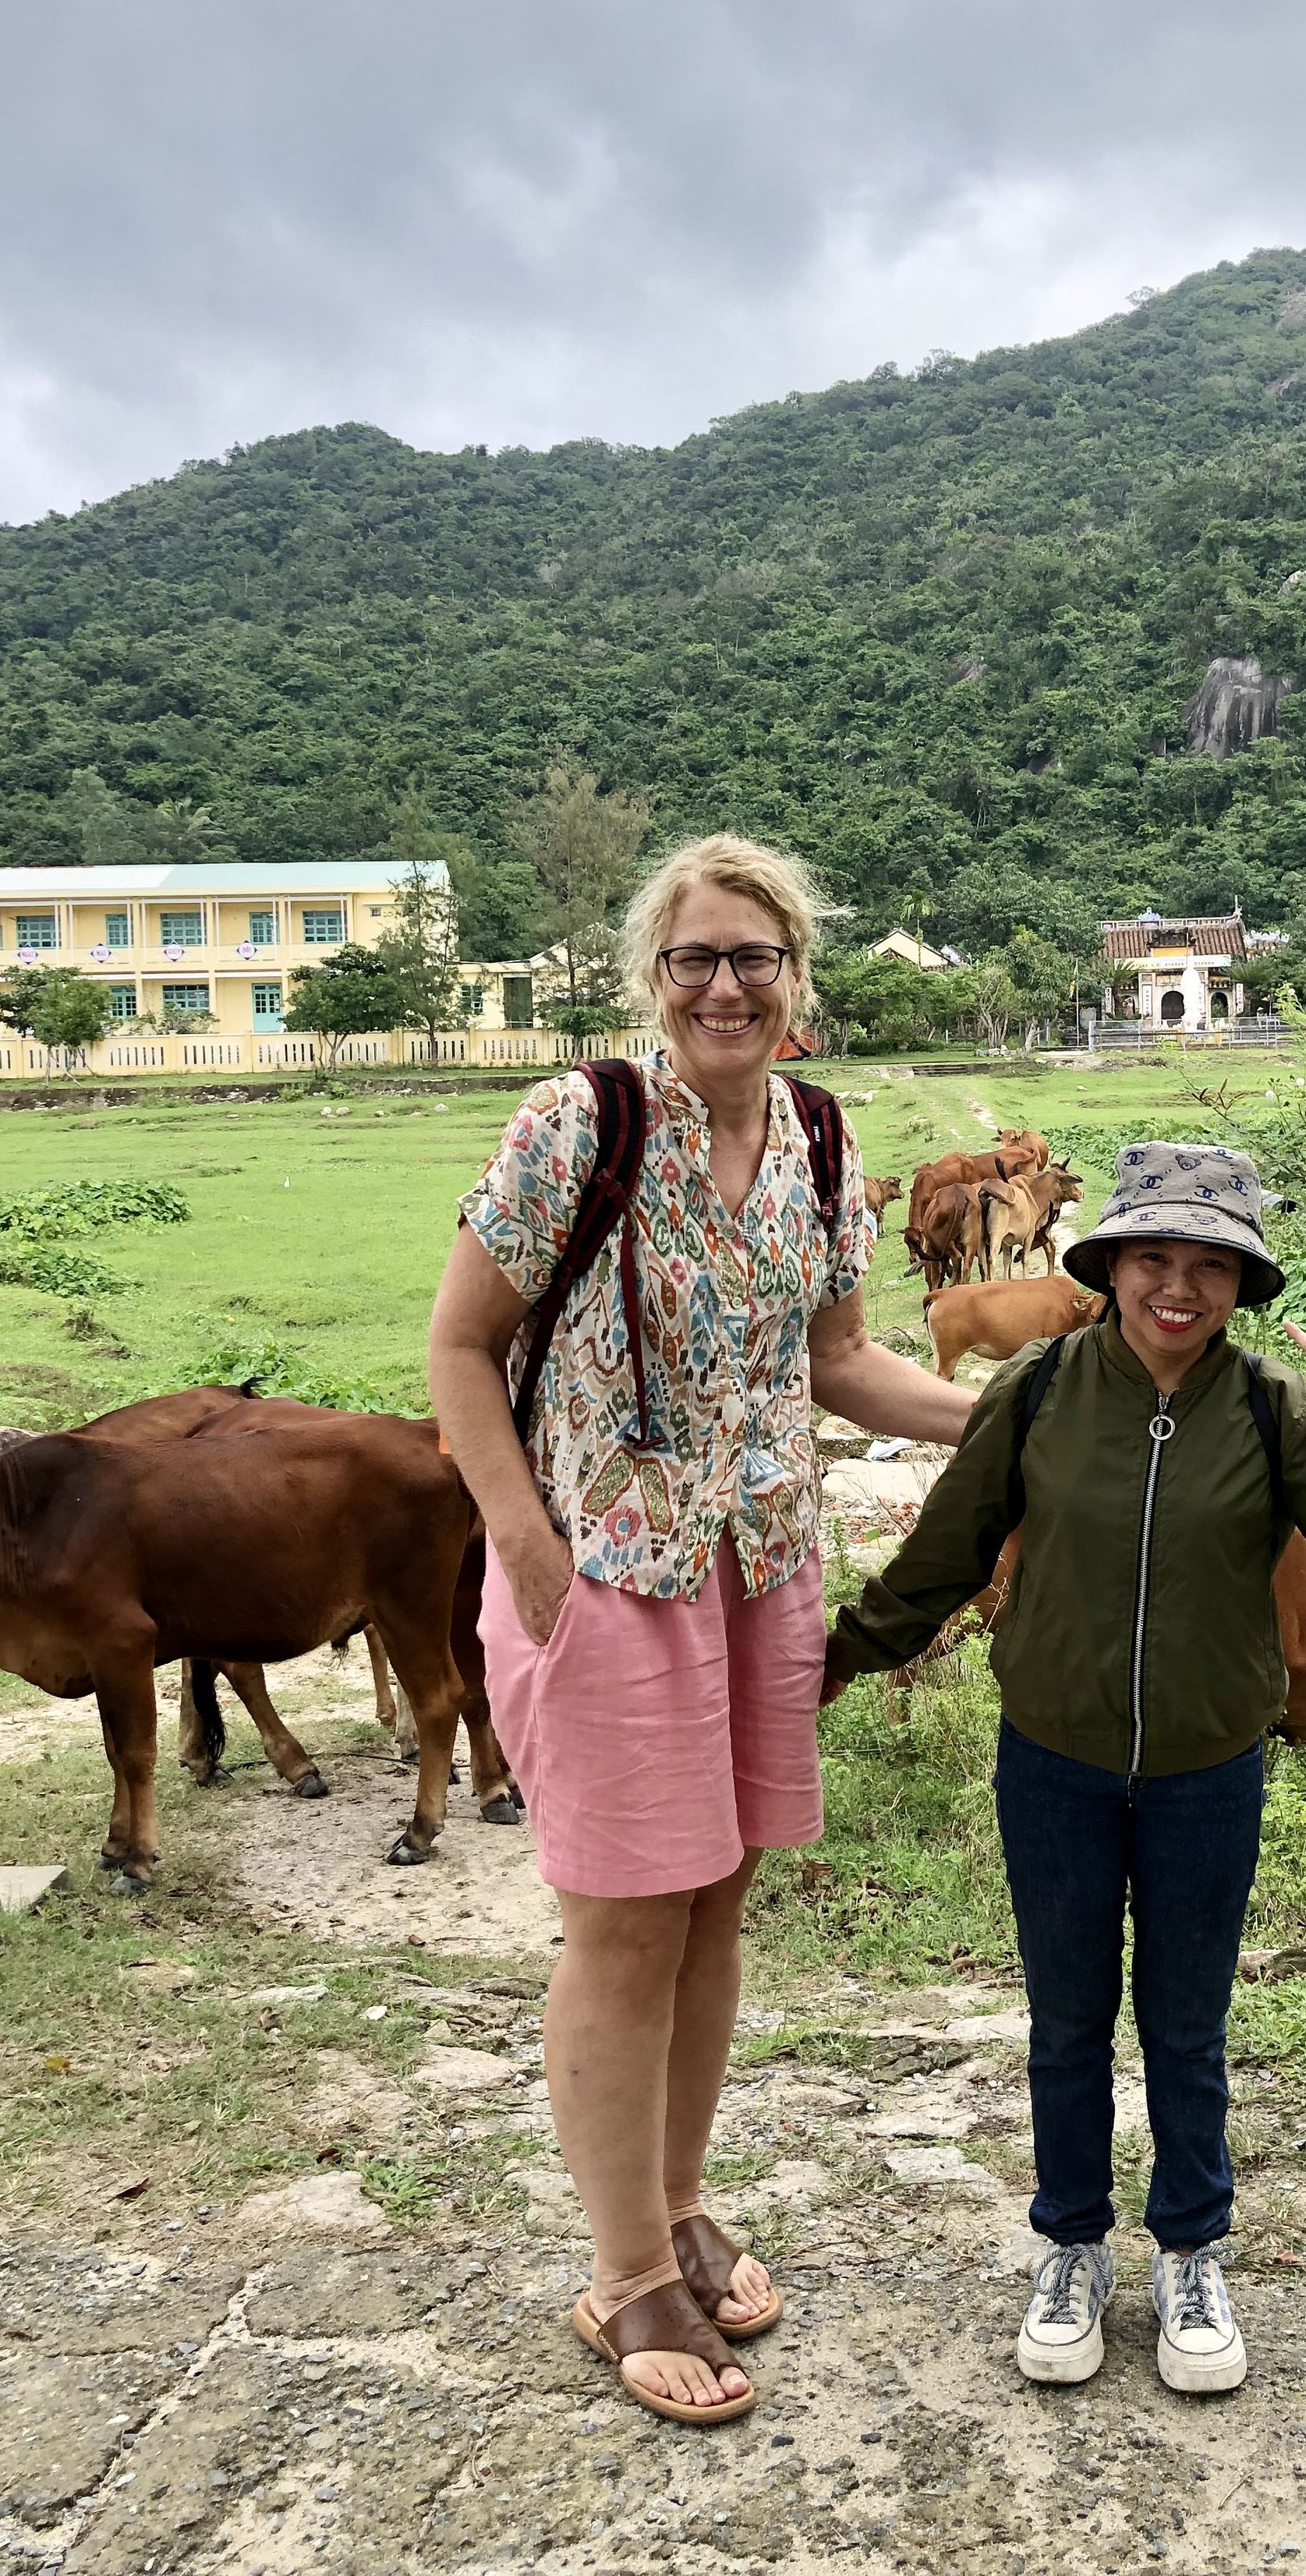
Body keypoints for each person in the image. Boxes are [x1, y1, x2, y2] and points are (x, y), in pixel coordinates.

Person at [428, 834, 974, 2426]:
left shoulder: (815, 1134)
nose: (724, 984)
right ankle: (623, 2278)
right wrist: (523, 1539)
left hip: (757, 1576)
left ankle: (672, 2205)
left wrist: (1009, 1427)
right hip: (600, 1574)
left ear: (796, 978)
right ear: (653, 983)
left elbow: (843, 1362)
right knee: (625, 1922)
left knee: (715, 1902)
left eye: (753, 957)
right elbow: (461, 1347)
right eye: (695, 960)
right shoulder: (575, 1125)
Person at [826, 1142, 1306, 2395]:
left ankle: (1191, 2253)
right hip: (1053, 1758)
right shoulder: (1043, 1390)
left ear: (1240, 1286)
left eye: (1211, 1266)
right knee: (1065, 2020)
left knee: (1186, 2024)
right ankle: (1069, 2248)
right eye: (1154, 1257)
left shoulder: (1275, 1408)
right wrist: (837, 1658)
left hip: (1209, 1768)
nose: (1180, 1286)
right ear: (1107, 1266)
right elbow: (950, 1549)